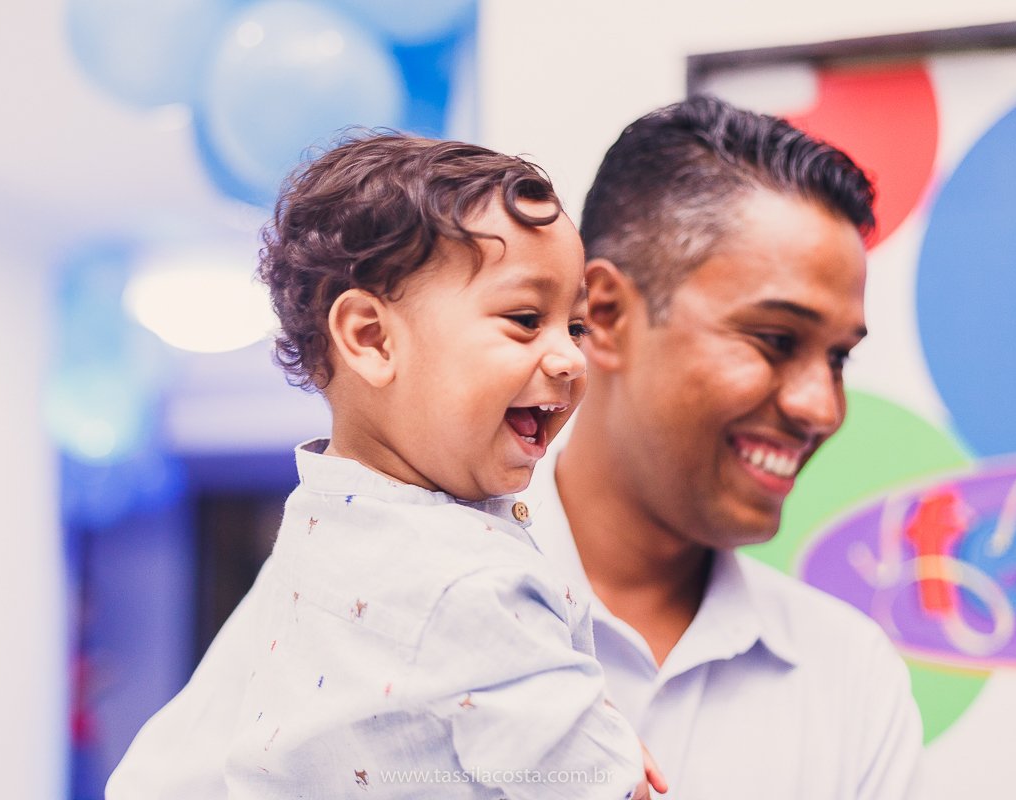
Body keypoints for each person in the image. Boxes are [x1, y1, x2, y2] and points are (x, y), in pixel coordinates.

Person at [106, 133, 666, 799]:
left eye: (574, 326)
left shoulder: (316, 532)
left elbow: (159, 776)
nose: (572, 358)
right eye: (525, 319)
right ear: (371, 338)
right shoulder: (474, 582)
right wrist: (610, 754)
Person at [518, 96, 923, 799]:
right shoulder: (395, 611)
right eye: (776, 340)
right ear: (605, 315)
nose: (821, 409)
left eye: (838, 359)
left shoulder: (851, 680)